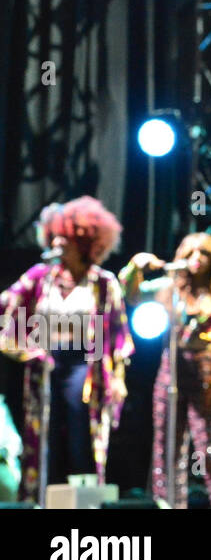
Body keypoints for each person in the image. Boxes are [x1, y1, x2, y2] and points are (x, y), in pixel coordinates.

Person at [0, 197, 133, 503]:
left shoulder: (102, 282)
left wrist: (119, 379)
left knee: (80, 435)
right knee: (43, 433)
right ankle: (43, 498)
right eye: (55, 235)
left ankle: (85, 500)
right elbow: (8, 302)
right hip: (46, 360)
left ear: (84, 240)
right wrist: (21, 346)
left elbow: (116, 333)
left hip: (86, 364)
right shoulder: (40, 277)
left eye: (67, 237)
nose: (59, 242)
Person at [121, 233, 211, 508]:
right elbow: (130, 294)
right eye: (191, 253)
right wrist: (135, 267)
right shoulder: (168, 288)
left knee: (208, 450)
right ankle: (171, 504)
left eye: (203, 253)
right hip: (170, 373)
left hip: (205, 376)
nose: (197, 260)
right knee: (167, 452)